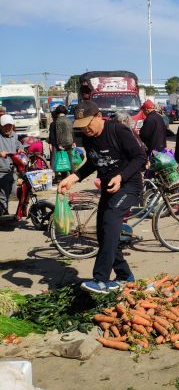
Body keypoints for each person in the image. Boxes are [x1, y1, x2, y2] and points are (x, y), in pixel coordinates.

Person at [58, 100, 147, 294]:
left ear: (99, 116)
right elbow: (93, 162)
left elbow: (140, 156)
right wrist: (73, 177)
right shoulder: (89, 138)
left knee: (110, 222)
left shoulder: (118, 130)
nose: (86, 130)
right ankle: (124, 275)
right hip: (109, 188)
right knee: (103, 233)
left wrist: (121, 176)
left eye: (88, 124)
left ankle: (101, 280)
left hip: (129, 186)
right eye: (81, 127)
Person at [0, 115, 24, 215]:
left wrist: (20, 148)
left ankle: (4, 211)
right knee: (3, 195)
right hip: (1, 170)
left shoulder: (14, 135)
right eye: (5, 126)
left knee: (12, 192)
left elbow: (18, 144)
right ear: (0, 126)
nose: (7, 128)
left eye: (9, 126)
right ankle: (3, 213)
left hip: (12, 170)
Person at [52, 105, 76, 174]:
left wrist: (59, 144)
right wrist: (73, 142)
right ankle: (73, 174)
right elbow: (72, 131)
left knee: (62, 159)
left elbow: (58, 133)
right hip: (70, 141)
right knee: (69, 159)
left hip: (62, 142)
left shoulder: (58, 121)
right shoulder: (69, 120)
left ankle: (64, 175)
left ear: (57, 112)